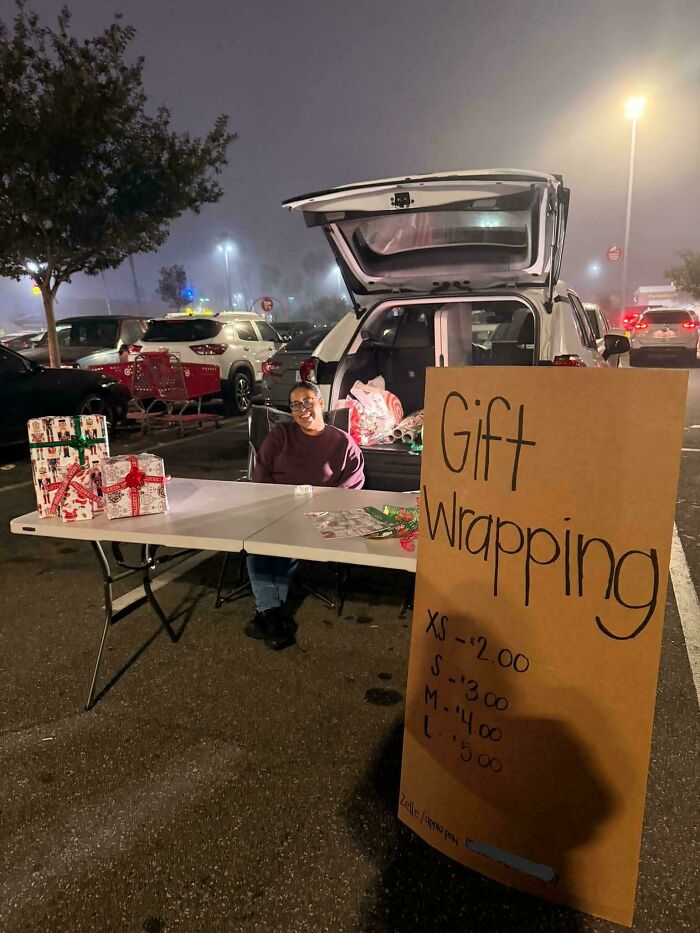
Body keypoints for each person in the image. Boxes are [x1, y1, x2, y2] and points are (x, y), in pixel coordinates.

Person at [245, 381, 365, 650]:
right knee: (257, 545)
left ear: (321, 403)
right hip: (277, 511)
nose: (303, 409)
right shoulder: (280, 436)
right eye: (296, 404)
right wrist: (279, 507)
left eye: (308, 401)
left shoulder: (343, 443)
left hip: (322, 516)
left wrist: (322, 508)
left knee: (284, 546)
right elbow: (260, 476)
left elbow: (353, 484)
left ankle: (267, 613)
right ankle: (272, 612)